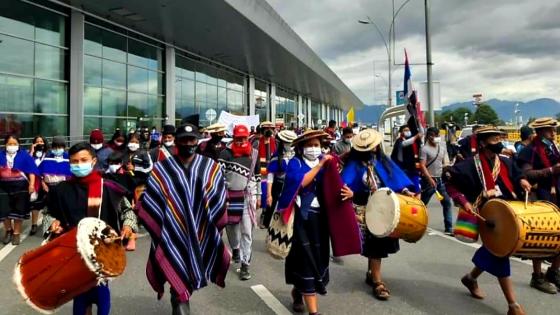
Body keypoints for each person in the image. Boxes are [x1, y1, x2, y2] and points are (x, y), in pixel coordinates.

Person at [136, 122, 230, 314]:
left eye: (192, 139)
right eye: (183, 140)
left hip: (200, 228)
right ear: (176, 142)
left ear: (197, 141)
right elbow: (152, 199)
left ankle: (182, 293)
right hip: (171, 230)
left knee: (192, 262)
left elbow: (219, 195)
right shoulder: (162, 169)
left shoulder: (209, 166)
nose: (188, 143)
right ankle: (179, 296)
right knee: (175, 261)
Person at [444, 125, 531, 315]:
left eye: (499, 138)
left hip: (508, 214)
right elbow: (449, 181)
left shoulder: (506, 162)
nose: (498, 142)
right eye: (494, 139)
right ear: (483, 143)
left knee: (496, 250)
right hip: (488, 215)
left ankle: (470, 278)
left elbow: (518, 174)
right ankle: (513, 305)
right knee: (500, 253)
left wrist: (523, 180)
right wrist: (463, 201)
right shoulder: (469, 166)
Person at [46, 142, 137, 315]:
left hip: (103, 251)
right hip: (74, 253)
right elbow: (48, 213)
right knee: (79, 296)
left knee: (101, 294)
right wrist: (52, 224)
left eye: (83, 160)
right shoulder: (61, 190)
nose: (79, 164)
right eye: (74, 161)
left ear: (93, 161)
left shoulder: (109, 187)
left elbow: (127, 210)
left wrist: (127, 226)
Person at [341, 129, 415, 301]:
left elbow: (394, 178)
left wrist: (404, 190)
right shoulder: (354, 165)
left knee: (377, 242)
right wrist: (353, 194)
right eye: (370, 146)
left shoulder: (382, 160)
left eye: (375, 145)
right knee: (375, 245)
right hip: (366, 209)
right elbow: (346, 186)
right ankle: (377, 281)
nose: (374, 148)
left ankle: (371, 272)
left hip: (384, 207)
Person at [276, 130, 333, 315]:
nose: (314, 149)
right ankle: (313, 312)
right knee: (305, 259)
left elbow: (336, 184)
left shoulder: (326, 162)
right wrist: (320, 165)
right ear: (301, 147)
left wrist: (348, 192)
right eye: (310, 145)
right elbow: (299, 183)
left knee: (318, 255)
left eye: (317, 145)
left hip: (320, 219)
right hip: (301, 218)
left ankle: (297, 290)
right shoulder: (295, 163)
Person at [517, 117, 560, 294]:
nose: (554, 132)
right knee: (543, 236)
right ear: (542, 131)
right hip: (541, 196)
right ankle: (537, 276)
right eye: (551, 129)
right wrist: (551, 171)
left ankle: (553, 272)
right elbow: (527, 174)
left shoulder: (553, 147)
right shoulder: (530, 150)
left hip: (557, 193)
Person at [219, 124, 261, 280]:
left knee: (247, 231)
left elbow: (257, 177)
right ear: (233, 137)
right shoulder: (225, 153)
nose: (241, 141)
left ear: (248, 137)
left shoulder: (254, 154)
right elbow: (219, 176)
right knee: (231, 227)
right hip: (229, 197)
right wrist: (221, 196)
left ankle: (245, 265)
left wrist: (258, 197)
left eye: (244, 138)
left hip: (247, 198)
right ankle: (235, 248)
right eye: (238, 138)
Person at [0, 135, 39, 245]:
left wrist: (31, 185)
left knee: (18, 210)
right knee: (3, 210)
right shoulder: (0, 155)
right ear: (5, 145)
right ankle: (8, 231)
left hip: (20, 186)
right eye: (10, 144)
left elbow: (32, 171)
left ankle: (16, 233)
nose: (12, 146)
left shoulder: (24, 156)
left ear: (18, 145)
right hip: (3, 186)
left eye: (14, 144)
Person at [419, 127, 454, 235]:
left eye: (438, 135)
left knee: (447, 202)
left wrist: (447, 171)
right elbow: (422, 165)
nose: (438, 137)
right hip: (428, 180)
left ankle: (449, 228)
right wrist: (429, 178)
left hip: (440, 180)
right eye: (436, 135)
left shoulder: (442, 147)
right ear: (430, 136)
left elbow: (444, 163)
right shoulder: (424, 149)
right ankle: (418, 224)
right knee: (423, 204)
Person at [261, 130, 297, 228]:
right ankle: (266, 223)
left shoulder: (297, 155)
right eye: (286, 142)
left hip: (292, 186)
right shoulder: (277, 155)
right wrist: (269, 195)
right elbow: (270, 176)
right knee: (272, 205)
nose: (289, 144)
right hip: (278, 184)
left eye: (291, 142)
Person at [37, 136, 72, 235]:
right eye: (55, 147)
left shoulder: (68, 158)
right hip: (49, 188)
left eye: (60, 147)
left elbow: (73, 174)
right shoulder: (47, 157)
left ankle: (63, 229)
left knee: (63, 209)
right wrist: (43, 184)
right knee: (48, 210)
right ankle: (48, 231)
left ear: (64, 147)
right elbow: (39, 172)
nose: (57, 149)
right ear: (52, 147)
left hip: (64, 188)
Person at [252, 121, 276, 215]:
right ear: (262, 130)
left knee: (270, 194)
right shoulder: (257, 142)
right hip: (260, 173)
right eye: (266, 129)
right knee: (262, 195)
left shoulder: (275, 142)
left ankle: (266, 214)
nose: (269, 131)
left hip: (271, 172)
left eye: (270, 129)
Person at [391, 125, 423, 193]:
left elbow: (421, 133)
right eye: (405, 130)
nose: (407, 132)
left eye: (408, 130)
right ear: (401, 132)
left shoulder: (414, 140)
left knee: (416, 189)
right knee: (405, 190)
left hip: (413, 169)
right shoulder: (399, 141)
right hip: (403, 169)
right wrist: (416, 136)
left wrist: (419, 122)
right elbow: (404, 144)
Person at [29, 135, 49, 235]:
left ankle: (48, 224)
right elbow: (27, 165)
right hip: (35, 182)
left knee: (47, 203)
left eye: (41, 141)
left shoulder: (48, 154)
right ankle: (34, 225)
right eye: (37, 142)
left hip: (46, 182)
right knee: (35, 205)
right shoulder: (31, 155)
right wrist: (32, 151)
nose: (40, 143)